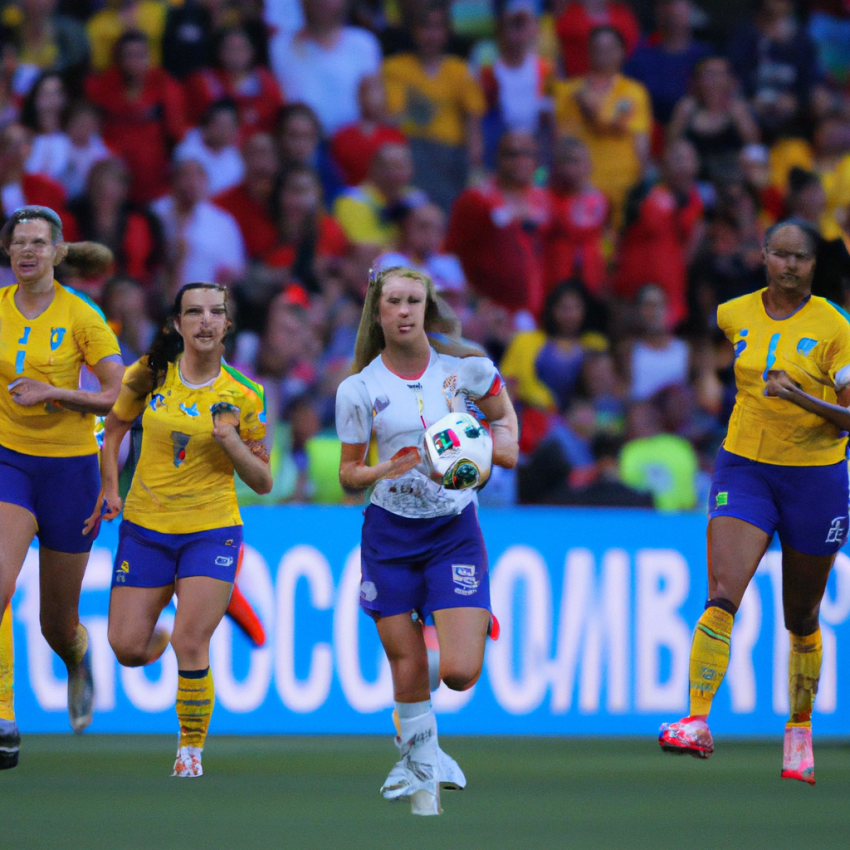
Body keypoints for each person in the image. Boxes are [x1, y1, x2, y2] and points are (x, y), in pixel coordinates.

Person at [658, 220, 850, 785]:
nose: (789, 266)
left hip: (815, 478)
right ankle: (695, 720)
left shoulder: (836, 327)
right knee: (722, 594)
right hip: (744, 467)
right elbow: (709, 347)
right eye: (779, 255)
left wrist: (799, 396)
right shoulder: (733, 313)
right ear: (762, 255)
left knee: (802, 615)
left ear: (816, 265)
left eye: (801, 258)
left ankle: (799, 728)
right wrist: (705, 379)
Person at [335, 266, 518, 814]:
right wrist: (383, 469)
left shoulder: (468, 372)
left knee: (460, 673)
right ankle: (422, 780)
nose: (405, 310)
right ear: (379, 310)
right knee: (407, 666)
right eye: (394, 301)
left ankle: (420, 753)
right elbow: (348, 475)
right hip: (389, 534)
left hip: (452, 530)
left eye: (415, 300)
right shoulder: (359, 388)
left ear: (427, 308)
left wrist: (479, 463)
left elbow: (505, 431)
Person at [86, 282, 272, 777]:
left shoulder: (245, 395)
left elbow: (262, 479)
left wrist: (231, 441)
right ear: (177, 323)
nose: (206, 321)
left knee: (194, 641)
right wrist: (110, 486)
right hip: (146, 527)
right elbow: (116, 426)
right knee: (127, 648)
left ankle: (190, 751)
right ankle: (164, 631)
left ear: (228, 324)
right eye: (195, 313)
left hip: (210, 530)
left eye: (216, 313)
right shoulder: (148, 374)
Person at [0, 206, 124, 769]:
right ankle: (4, 714)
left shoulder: (82, 317)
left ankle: (77, 657)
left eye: (37, 243)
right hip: (10, 463)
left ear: (56, 252)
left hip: (70, 472)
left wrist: (55, 393)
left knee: (57, 623)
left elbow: (120, 398)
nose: (27, 251)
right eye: (18, 243)